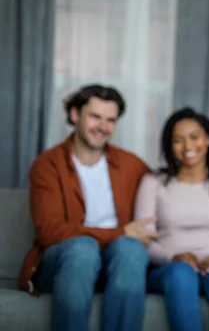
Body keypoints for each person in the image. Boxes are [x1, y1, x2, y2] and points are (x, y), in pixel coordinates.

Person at [18, 84, 159, 331]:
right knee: (84, 248)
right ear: (75, 115)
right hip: (64, 264)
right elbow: (50, 232)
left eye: (110, 120)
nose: (103, 127)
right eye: (95, 116)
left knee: (131, 248)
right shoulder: (47, 165)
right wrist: (120, 233)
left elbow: (168, 187)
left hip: (117, 266)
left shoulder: (130, 164)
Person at [134, 107, 209, 331]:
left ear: (208, 139)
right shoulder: (153, 182)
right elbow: (144, 239)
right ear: (170, 147)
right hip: (170, 269)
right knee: (181, 273)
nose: (188, 147)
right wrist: (173, 257)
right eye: (178, 140)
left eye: (194, 137)